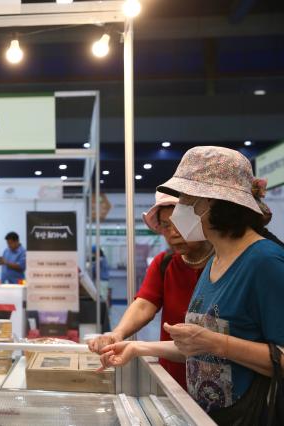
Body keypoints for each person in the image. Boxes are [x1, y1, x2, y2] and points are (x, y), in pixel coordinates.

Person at [98, 146, 284, 423]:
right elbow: (200, 346)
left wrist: (218, 343)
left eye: (185, 199)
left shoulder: (264, 260)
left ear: (210, 203)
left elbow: (219, 345)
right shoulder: (215, 260)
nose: (177, 214)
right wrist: (138, 348)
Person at [87, 192, 214, 389]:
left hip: (220, 383)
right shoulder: (164, 263)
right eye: (165, 225)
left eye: (179, 222)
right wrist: (118, 333)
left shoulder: (225, 262)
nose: (173, 233)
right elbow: (144, 304)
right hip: (174, 380)